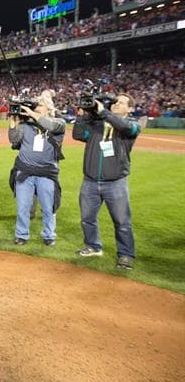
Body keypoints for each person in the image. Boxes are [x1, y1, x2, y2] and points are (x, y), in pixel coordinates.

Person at [72, 94, 140, 270]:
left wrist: (104, 112)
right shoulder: (97, 125)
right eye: (115, 101)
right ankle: (93, 246)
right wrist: (84, 114)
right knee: (87, 219)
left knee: (122, 222)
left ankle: (125, 255)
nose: (116, 104)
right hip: (90, 181)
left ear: (130, 109)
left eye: (122, 102)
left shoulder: (132, 125)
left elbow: (125, 127)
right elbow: (78, 134)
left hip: (115, 182)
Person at [8, 98, 66, 246]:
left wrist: (33, 115)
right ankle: (21, 235)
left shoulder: (58, 123)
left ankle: (49, 235)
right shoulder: (26, 126)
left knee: (48, 208)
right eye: (35, 106)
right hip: (25, 171)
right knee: (23, 207)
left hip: (46, 174)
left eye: (40, 106)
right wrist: (14, 120)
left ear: (49, 109)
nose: (36, 108)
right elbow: (13, 138)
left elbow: (49, 125)